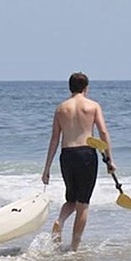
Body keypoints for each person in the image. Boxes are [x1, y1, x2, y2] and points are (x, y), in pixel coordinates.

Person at [42, 72, 116, 251]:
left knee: (71, 198)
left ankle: (60, 220)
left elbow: (54, 139)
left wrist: (46, 169)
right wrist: (110, 160)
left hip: (66, 155)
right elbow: (103, 133)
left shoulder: (61, 108)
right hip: (86, 156)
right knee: (83, 204)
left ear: (70, 87)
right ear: (86, 88)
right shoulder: (92, 106)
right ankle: (74, 248)